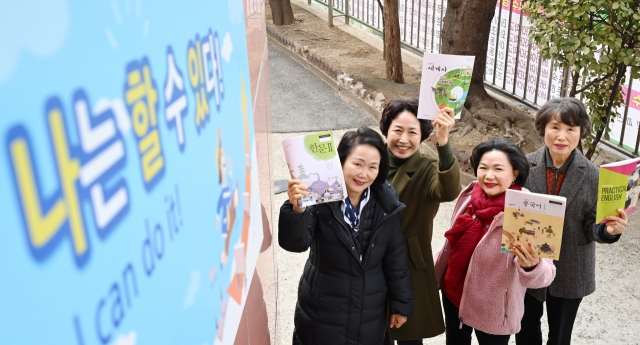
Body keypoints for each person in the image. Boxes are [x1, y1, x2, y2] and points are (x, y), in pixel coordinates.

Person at [279, 127, 414, 345]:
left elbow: (395, 259)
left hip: (370, 312)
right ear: (340, 162)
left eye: (372, 167)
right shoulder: (318, 197)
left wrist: (401, 304)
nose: (364, 174)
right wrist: (297, 209)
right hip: (323, 310)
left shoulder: (386, 204)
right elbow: (295, 244)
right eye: (357, 164)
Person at [515, 97, 628, 345]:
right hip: (528, 262)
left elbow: (593, 226)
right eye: (555, 127)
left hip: (572, 268)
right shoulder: (523, 166)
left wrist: (608, 230)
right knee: (524, 330)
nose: (561, 136)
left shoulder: (594, 175)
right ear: (543, 128)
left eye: (570, 129)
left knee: (559, 337)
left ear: (581, 132)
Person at [434, 138, 557, 345]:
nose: (489, 176)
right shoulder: (470, 194)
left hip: (494, 308)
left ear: (515, 173)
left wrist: (532, 266)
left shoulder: (526, 211)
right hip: (454, 292)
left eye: (498, 169)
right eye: (483, 168)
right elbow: (450, 245)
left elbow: (546, 273)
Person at [380, 99, 461, 344]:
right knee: (374, 330)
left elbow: (447, 191)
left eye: (412, 132)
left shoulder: (426, 168)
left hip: (409, 263)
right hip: (370, 260)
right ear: (386, 129)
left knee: (410, 335)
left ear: (423, 135)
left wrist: (444, 143)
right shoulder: (371, 161)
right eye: (397, 130)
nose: (404, 139)